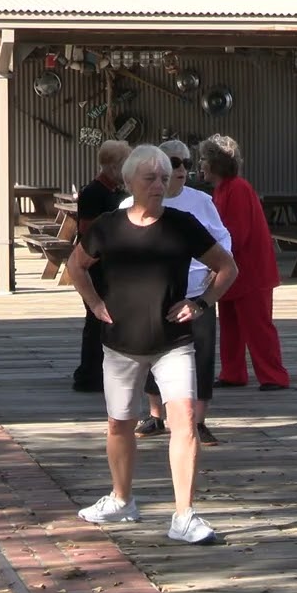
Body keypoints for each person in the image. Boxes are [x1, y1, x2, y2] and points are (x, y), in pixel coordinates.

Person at [67, 144, 239, 544]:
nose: (160, 185)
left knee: (184, 423)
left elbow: (227, 266)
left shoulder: (182, 224)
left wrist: (201, 303)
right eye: (151, 178)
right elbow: (76, 265)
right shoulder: (108, 226)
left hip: (173, 343)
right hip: (120, 344)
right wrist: (94, 303)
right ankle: (121, 500)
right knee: (119, 423)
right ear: (130, 183)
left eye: (165, 177)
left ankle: (184, 516)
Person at [119, 140, 232, 446]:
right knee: (150, 354)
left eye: (186, 163)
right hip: (152, 295)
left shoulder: (201, 202)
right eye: (175, 163)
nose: (182, 169)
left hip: (198, 291)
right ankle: (155, 414)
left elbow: (223, 237)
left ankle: (199, 420)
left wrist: (215, 273)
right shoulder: (127, 207)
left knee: (203, 355)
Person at [197, 135, 290, 391]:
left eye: (204, 159)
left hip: (250, 270)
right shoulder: (222, 189)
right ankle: (233, 372)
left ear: (216, 163)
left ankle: (274, 375)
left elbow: (236, 233)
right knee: (230, 324)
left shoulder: (237, 188)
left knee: (257, 325)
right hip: (232, 270)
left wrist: (211, 259)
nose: (200, 164)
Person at [72, 140, 132, 393]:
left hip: (112, 265)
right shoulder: (93, 192)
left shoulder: (114, 191)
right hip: (95, 264)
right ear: (110, 166)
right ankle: (89, 375)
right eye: (123, 166)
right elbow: (88, 232)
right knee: (96, 318)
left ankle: (104, 371)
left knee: (108, 319)